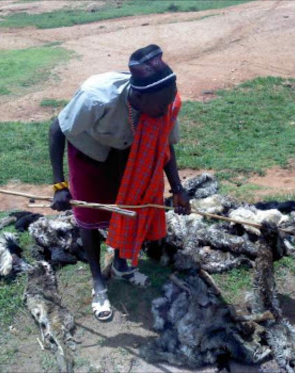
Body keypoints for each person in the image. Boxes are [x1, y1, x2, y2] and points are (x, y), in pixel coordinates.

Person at [49, 44, 191, 321]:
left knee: (131, 209)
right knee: (89, 217)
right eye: (161, 106)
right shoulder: (95, 97)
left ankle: (122, 265)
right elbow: (57, 129)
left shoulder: (165, 102)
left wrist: (177, 188)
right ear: (138, 96)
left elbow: (165, 144)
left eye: (169, 104)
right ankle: (98, 283)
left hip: (129, 154)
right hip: (89, 153)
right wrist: (59, 185)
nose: (165, 113)